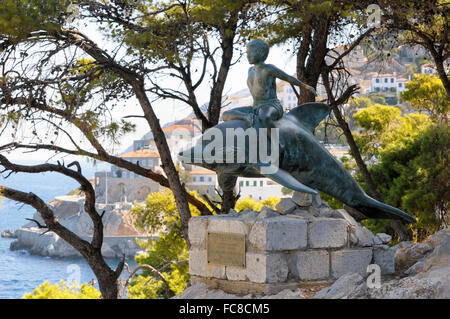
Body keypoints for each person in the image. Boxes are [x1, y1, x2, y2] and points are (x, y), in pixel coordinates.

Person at [222, 39, 316, 132]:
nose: (248, 55)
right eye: (247, 53)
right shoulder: (250, 70)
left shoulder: (268, 69)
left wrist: (306, 87)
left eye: (250, 52)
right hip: (255, 107)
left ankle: (278, 142)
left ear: (261, 52)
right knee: (226, 115)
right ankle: (246, 117)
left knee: (264, 118)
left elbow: (287, 78)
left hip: (271, 106)